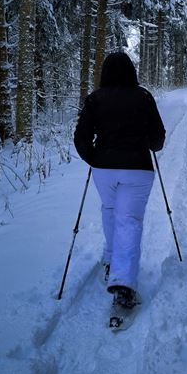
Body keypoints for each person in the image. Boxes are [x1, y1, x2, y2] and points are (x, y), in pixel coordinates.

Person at [73, 51, 165, 310]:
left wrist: (94, 158)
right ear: (131, 71)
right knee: (129, 220)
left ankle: (112, 260)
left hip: (104, 170)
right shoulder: (143, 96)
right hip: (137, 169)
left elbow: (80, 138)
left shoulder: (94, 99)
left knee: (111, 210)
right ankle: (123, 285)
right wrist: (147, 142)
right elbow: (157, 138)